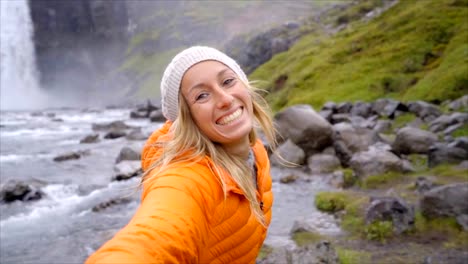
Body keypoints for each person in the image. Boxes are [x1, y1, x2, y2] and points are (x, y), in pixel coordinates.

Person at [86, 46, 278, 263]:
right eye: (202, 96)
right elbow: (149, 241)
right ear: (187, 119)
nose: (225, 99)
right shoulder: (188, 177)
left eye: (228, 81)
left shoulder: (256, 151)